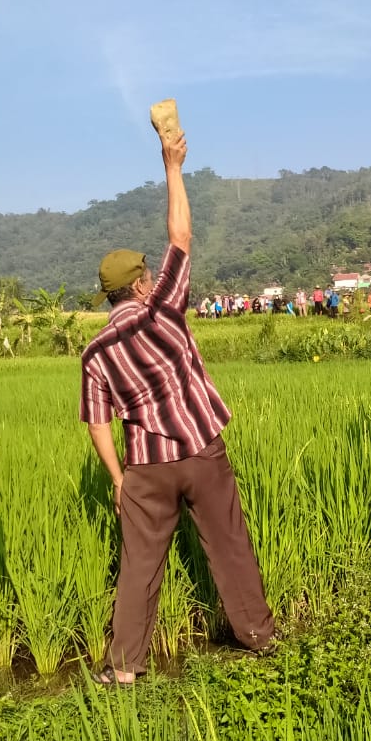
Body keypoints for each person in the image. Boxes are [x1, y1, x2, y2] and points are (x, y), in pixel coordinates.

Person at [80, 128, 275, 684]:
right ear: (141, 285)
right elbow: (182, 236)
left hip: (145, 466)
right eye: (146, 273)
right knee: (229, 545)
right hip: (201, 450)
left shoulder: (95, 351)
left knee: (140, 565)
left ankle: (124, 670)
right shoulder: (162, 307)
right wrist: (172, 165)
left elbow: (98, 424)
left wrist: (117, 479)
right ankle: (257, 637)